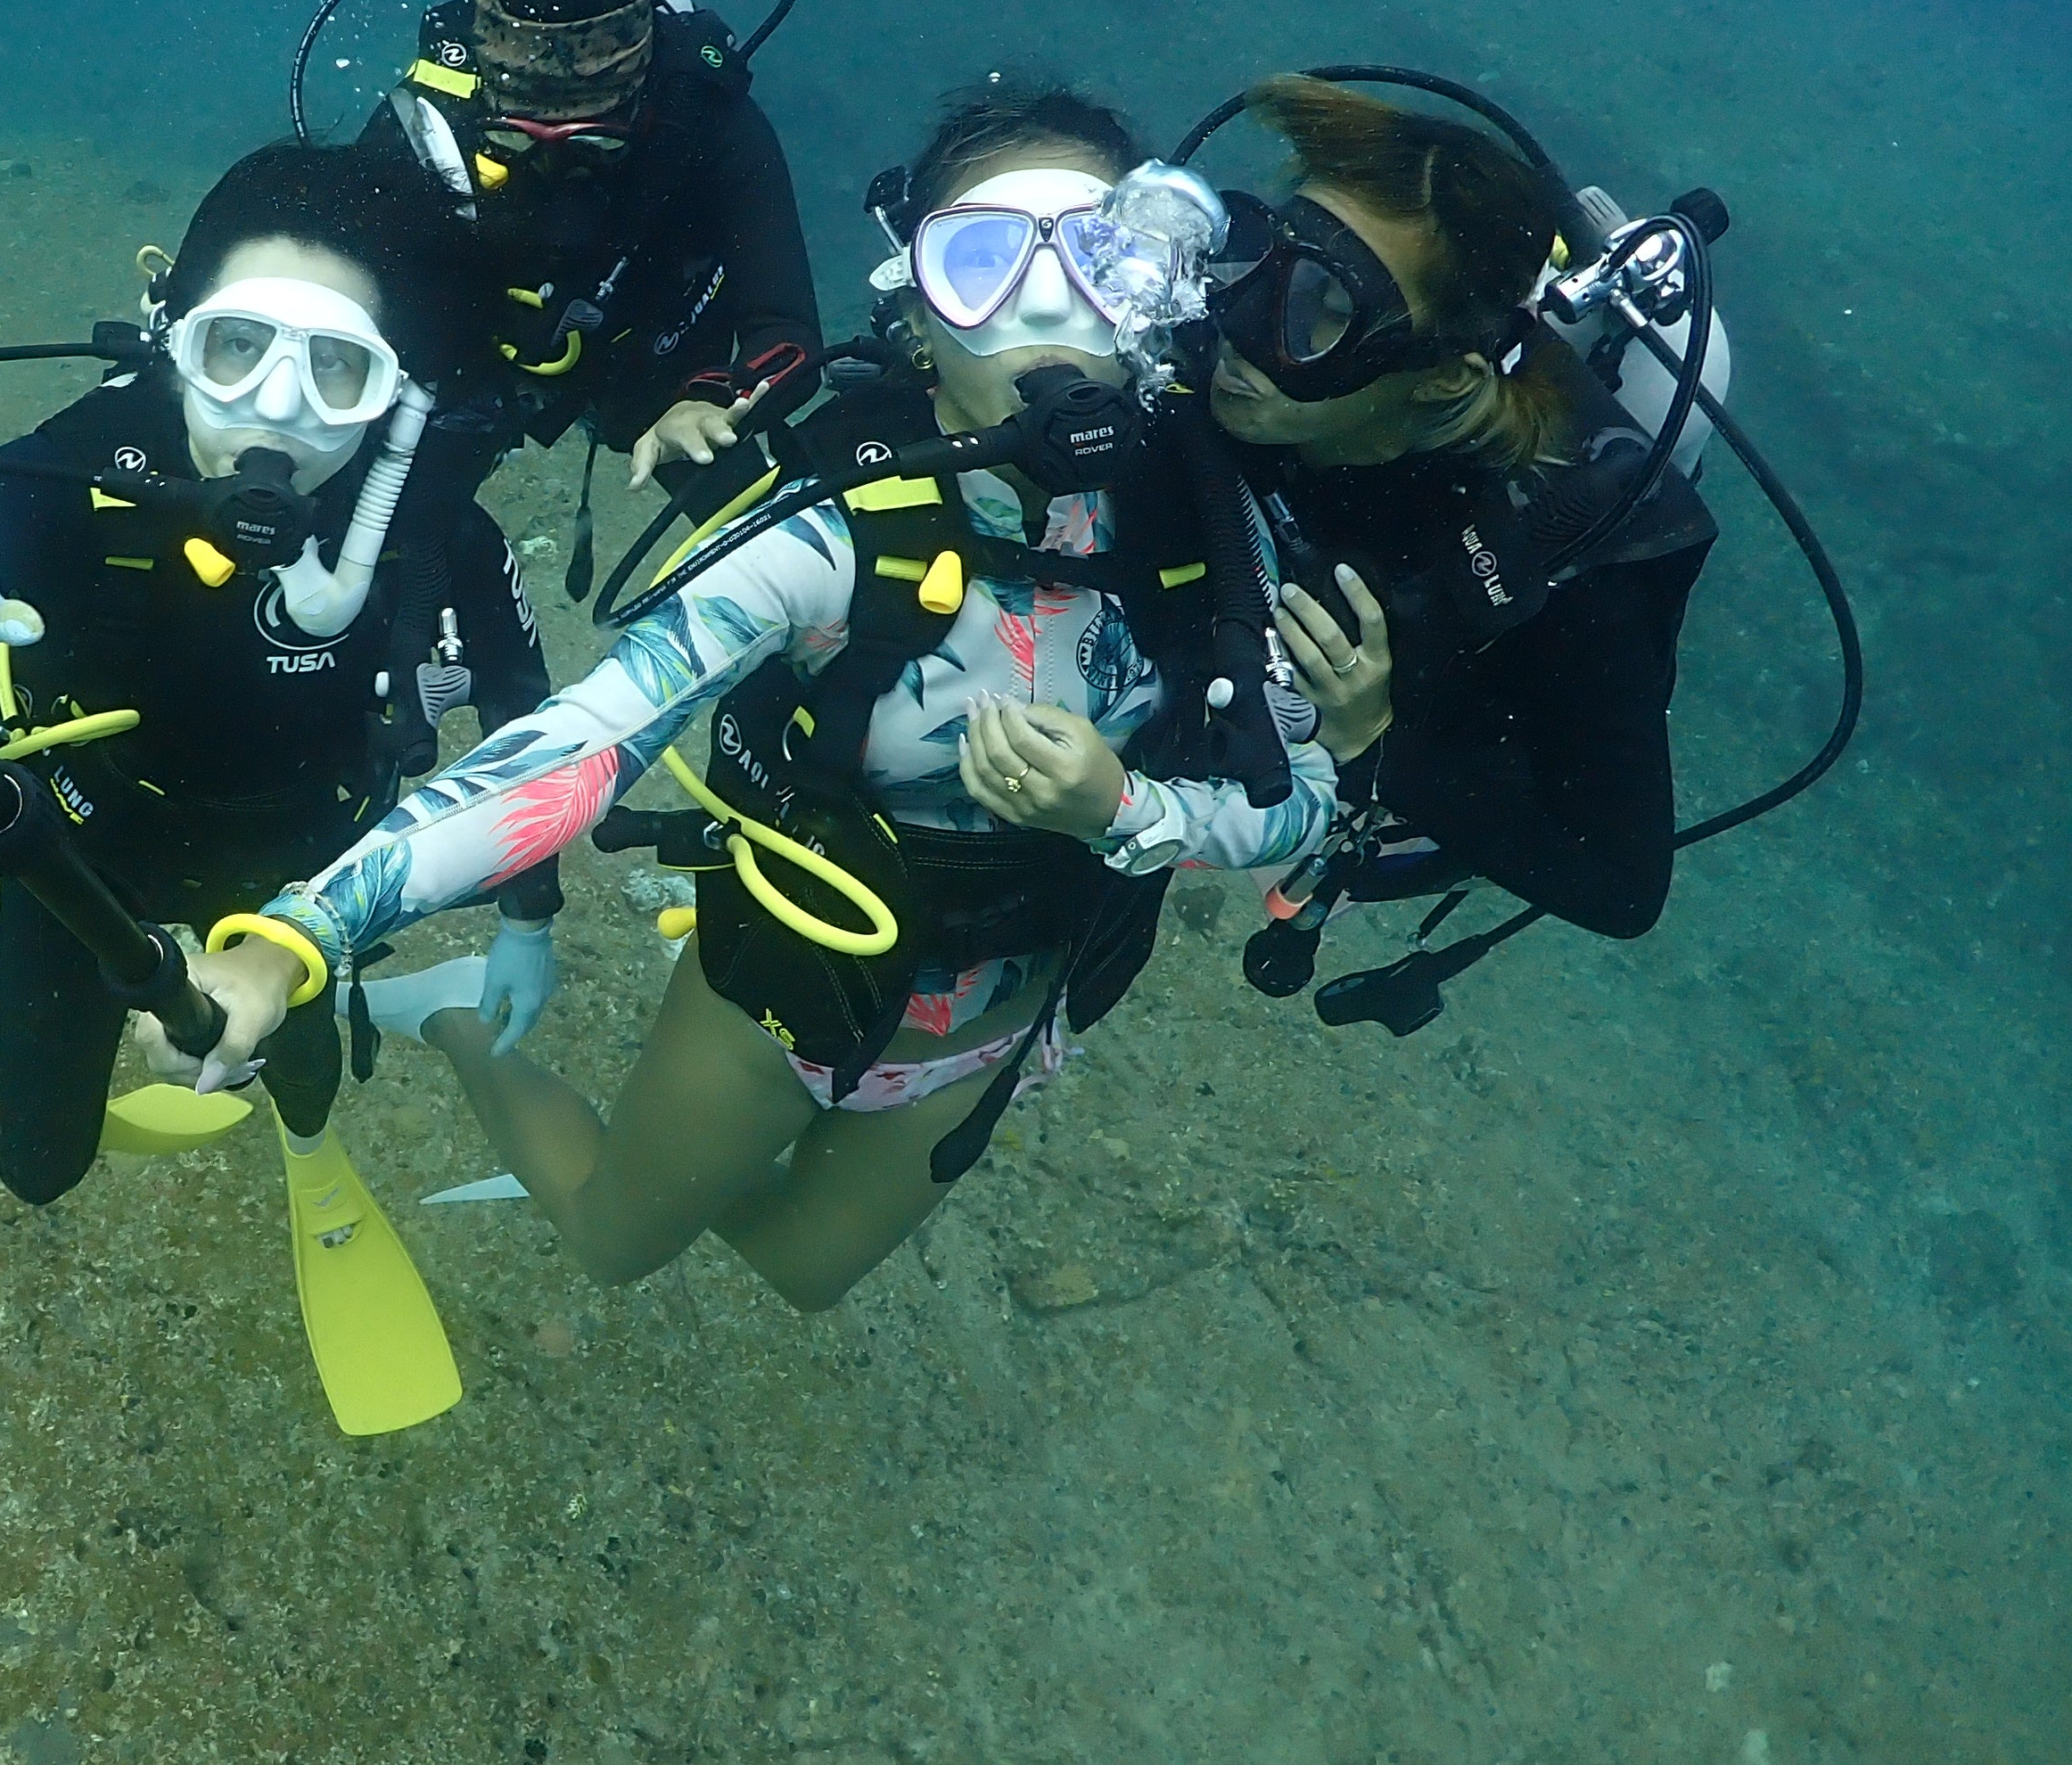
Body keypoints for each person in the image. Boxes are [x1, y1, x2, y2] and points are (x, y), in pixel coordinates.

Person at [169, 85, 1336, 1311]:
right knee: (615, 1242)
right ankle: (461, 1020)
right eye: (982, 259)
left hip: (999, 1022)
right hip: (781, 993)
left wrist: (1128, 806)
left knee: (800, 1269)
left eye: (1102, 255)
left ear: (1161, 285)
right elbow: (585, 744)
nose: (1044, 305)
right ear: (917, 308)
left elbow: (1307, 802)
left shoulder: (1211, 531)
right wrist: (296, 935)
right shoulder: (828, 541)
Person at [0, 141, 555, 1431]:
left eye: (339, 370)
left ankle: (315, 1138)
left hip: (304, 882)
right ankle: (283, 1045)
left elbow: (525, 721)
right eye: (237, 351)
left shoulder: (437, 533)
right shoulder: (97, 455)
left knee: (304, 1072)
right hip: (83, 848)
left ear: (396, 399)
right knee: (37, 1167)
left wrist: (530, 910)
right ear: (171, 336)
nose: (276, 412)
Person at [1199, 76, 1717, 1018]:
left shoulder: (1564, 568)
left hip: (1436, 746)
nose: (1239, 319)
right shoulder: (1244, 359)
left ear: (1441, 383)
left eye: (1322, 305)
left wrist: (1372, 745)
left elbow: (1621, 886)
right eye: (1262, 254)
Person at [364, 0, 824, 554]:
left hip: (661, 376)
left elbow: (786, 330)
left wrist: (714, 402)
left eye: (594, 142)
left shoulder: (707, 119)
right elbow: (325, 259)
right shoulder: (431, 115)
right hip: (472, 358)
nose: (558, 161)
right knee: (373, 523)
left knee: (783, 548)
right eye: (517, 139)